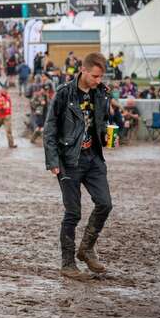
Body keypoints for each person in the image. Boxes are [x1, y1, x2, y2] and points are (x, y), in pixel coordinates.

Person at [43, 52, 114, 278]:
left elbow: (101, 122)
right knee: (73, 212)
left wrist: (108, 136)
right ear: (83, 70)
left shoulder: (102, 93)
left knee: (105, 203)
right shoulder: (65, 93)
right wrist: (53, 161)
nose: (98, 80)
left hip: (93, 158)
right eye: (94, 76)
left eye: (101, 76)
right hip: (68, 160)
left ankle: (86, 249)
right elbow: (50, 129)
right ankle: (67, 263)